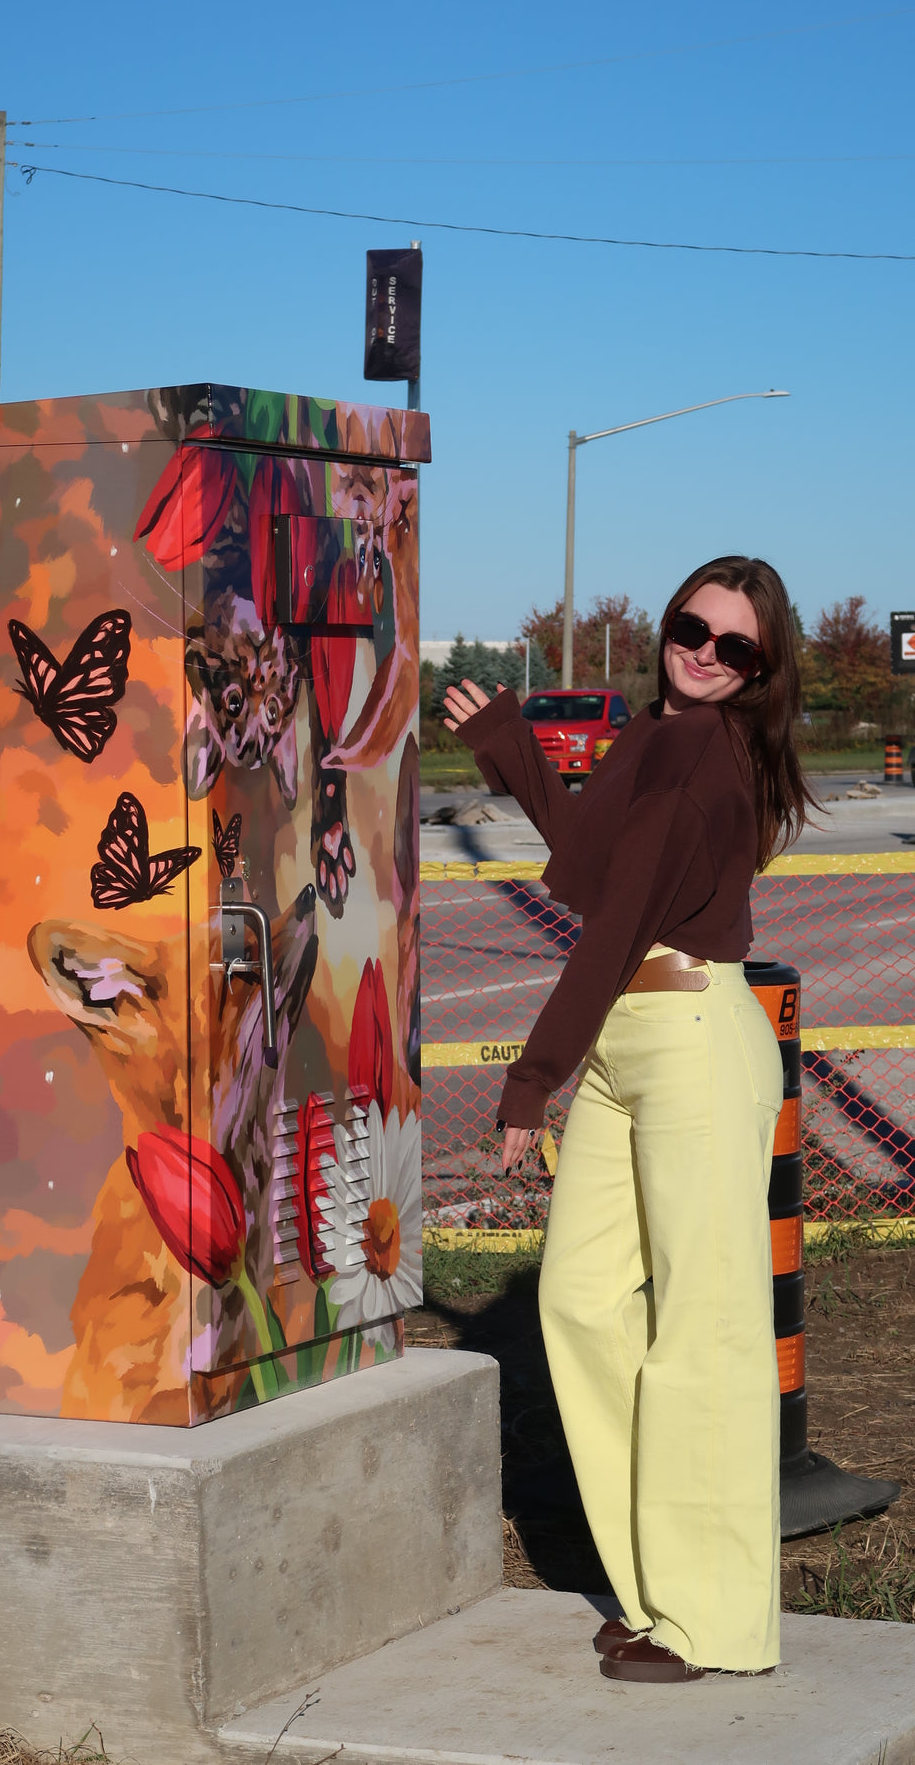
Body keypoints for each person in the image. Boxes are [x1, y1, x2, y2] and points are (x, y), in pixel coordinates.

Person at [444, 556, 813, 1685]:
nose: (703, 651)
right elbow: (591, 871)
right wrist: (512, 750)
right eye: (689, 626)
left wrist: (527, 1080)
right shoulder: (654, 733)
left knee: (702, 1334)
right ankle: (655, 1585)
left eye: (733, 646)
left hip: (691, 1043)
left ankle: (712, 1621)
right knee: (582, 1301)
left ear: (762, 667)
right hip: (630, 1046)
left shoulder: (707, 753)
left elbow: (609, 934)